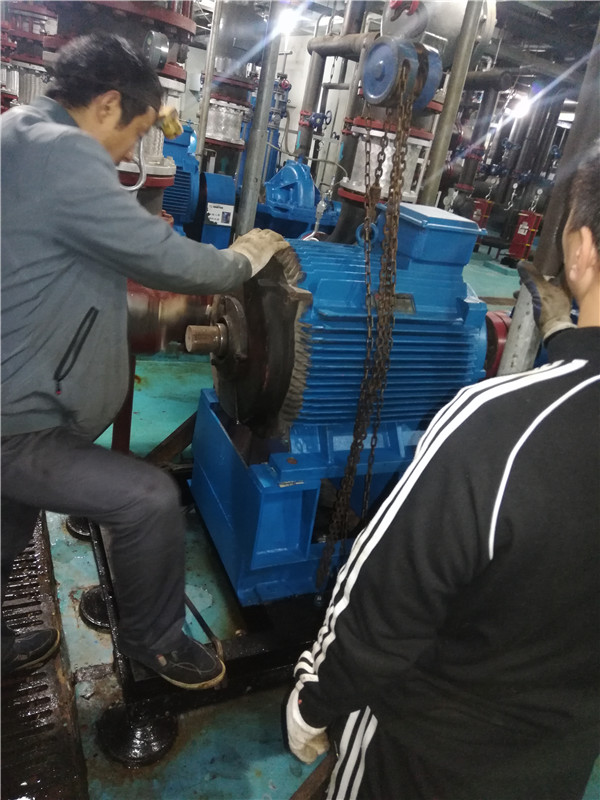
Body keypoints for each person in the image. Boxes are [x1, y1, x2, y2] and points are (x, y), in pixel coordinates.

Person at [285, 143, 600, 799]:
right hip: (558, 766)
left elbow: (381, 606)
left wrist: (312, 702)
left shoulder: (500, 427)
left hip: (419, 760)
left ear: (581, 249)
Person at [1, 33, 289, 686]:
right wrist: (240, 260)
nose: (130, 152)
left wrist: (143, 319)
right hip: (17, 423)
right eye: (133, 132)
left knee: (8, 518)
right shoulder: (63, 152)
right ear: (107, 104)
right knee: (147, 500)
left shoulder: (16, 131)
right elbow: (164, 258)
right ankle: (156, 646)